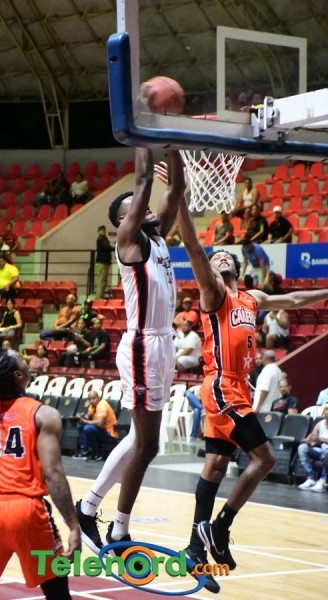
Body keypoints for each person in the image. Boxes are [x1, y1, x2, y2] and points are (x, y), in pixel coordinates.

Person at [162, 161, 328, 593]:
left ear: (234, 266)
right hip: (221, 385)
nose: (216, 256)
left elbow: (295, 299)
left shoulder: (251, 297)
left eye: (223, 255)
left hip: (236, 386)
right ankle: (220, 528)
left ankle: (195, 551)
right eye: (212, 256)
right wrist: (179, 200)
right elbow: (193, 248)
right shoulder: (213, 293)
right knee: (266, 458)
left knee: (216, 466)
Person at [75, 148, 185, 557]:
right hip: (143, 345)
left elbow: (175, 189)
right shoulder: (129, 242)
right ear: (125, 221)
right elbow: (143, 182)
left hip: (163, 343)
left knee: (141, 438)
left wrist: (173, 144)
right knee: (148, 445)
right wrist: (144, 134)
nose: (147, 210)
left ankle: (88, 509)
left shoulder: (157, 238)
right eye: (136, 209)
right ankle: (118, 528)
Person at [0, 348, 81, 599]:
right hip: (28, 511)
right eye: (23, 360)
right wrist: (74, 525)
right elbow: (53, 474)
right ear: (18, 375)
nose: (27, 362)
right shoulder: (44, 414)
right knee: (57, 591)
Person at [74, 390, 118, 460]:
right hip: (101, 430)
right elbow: (88, 416)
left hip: (110, 433)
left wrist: (85, 421)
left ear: (98, 397)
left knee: (88, 428)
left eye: (93, 398)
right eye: (90, 399)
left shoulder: (102, 406)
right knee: (79, 425)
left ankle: (96, 453)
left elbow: (99, 423)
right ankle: (84, 451)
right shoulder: (92, 406)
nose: (91, 401)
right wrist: (80, 417)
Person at [297, 404, 328, 492]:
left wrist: (320, 439)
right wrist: (309, 441)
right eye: (326, 409)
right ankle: (311, 478)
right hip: (321, 451)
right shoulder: (319, 424)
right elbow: (314, 437)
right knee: (302, 447)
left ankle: (323, 480)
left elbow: (319, 439)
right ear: (323, 412)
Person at [95, 225, 113, 299]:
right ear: (99, 231)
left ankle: (100, 296)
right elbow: (107, 247)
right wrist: (115, 248)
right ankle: (99, 297)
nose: (103, 231)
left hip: (104, 262)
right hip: (102, 262)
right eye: (101, 230)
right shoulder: (101, 239)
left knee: (103, 281)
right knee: (101, 281)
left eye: (104, 230)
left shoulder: (104, 239)